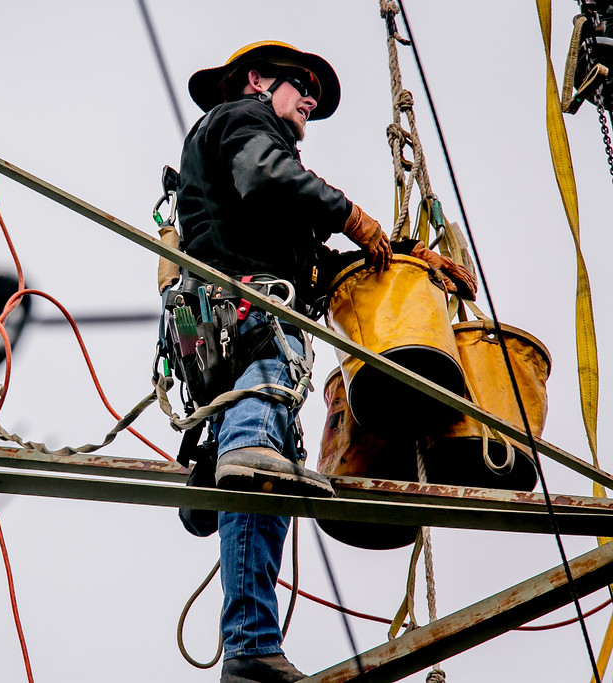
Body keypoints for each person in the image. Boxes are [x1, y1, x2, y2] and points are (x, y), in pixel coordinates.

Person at [175, 40, 473, 683]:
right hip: (248, 318)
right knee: (260, 469)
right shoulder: (242, 122)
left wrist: (402, 255)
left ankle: (249, 644)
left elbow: (316, 267)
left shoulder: (256, 187)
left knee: (266, 480)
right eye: (299, 85)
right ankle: (240, 457)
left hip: (226, 329)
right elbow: (268, 174)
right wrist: (351, 214)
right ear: (257, 80)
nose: (309, 99)